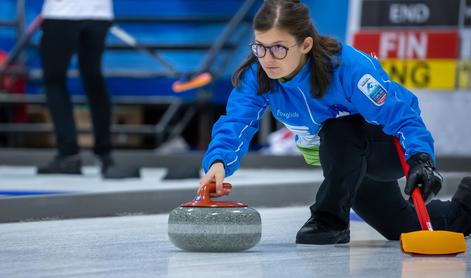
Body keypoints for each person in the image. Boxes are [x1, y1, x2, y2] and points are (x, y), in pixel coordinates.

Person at [198, 0, 471, 244]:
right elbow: (235, 122)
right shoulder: (257, 76)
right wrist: (218, 162)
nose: (267, 59)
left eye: (279, 48)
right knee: (400, 227)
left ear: (306, 44)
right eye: (260, 47)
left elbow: (401, 116)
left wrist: (422, 158)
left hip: (387, 148)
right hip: (347, 163)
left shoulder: (348, 68)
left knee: (338, 128)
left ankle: (329, 220)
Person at [36, 0, 139, 179]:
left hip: (63, 12)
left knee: (55, 81)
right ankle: (104, 154)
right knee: (93, 80)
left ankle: (69, 155)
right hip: (99, 12)